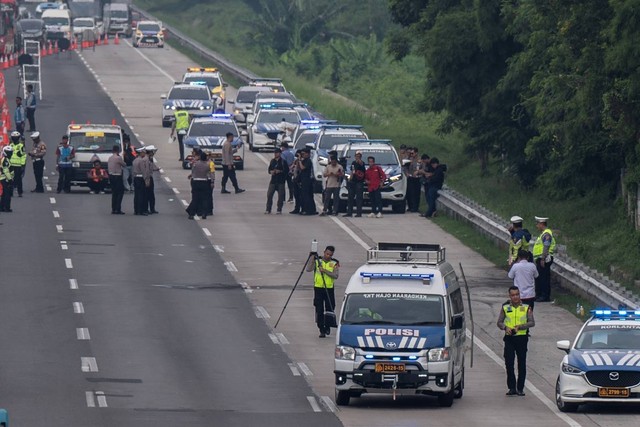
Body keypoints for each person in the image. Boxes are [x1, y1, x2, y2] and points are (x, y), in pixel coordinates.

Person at [497, 286, 535, 396]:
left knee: (521, 363)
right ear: (510, 296)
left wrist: (521, 327)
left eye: (517, 294)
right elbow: (499, 322)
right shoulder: (505, 307)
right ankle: (512, 387)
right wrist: (505, 328)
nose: (515, 297)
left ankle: (520, 388)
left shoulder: (526, 307)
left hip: (522, 338)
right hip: (509, 338)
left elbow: (532, 322)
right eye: (513, 295)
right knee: (509, 363)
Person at [306, 245, 340, 338]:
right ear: (324, 252)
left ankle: (328, 325)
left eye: (330, 254)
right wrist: (312, 257)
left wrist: (324, 270)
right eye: (327, 253)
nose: (328, 256)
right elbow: (308, 269)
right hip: (318, 288)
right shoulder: (318, 261)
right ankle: (321, 329)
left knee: (330, 307)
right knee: (319, 309)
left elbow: (335, 275)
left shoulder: (335, 263)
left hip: (329, 288)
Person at [533, 216, 556, 302]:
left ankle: (544, 296)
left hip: (544, 259)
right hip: (541, 258)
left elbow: (546, 246)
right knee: (540, 277)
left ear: (542, 224)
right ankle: (539, 295)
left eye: (537, 224)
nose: (536, 226)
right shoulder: (543, 234)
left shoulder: (546, 234)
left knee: (544, 278)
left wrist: (543, 258)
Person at [186, 151, 214, 219]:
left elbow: (192, 169)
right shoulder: (208, 165)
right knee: (204, 199)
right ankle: (204, 213)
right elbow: (210, 174)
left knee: (195, 198)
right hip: (204, 182)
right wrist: (212, 182)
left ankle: (191, 214)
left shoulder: (195, 164)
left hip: (196, 182)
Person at [265, 147, 288, 214]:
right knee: (269, 195)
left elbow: (286, 171)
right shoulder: (272, 161)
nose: (275, 154)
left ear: (280, 154)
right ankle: (268, 209)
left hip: (281, 181)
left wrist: (280, 171)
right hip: (273, 180)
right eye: (275, 153)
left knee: (280, 196)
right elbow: (269, 169)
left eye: (277, 153)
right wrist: (271, 172)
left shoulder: (283, 162)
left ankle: (279, 209)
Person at [343, 151, 366, 217]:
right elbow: (352, 171)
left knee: (359, 198)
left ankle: (359, 213)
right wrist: (350, 179)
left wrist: (359, 161)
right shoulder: (353, 163)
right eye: (356, 156)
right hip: (353, 181)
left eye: (359, 156)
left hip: (359, 182)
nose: (357, 157)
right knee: (350, 197)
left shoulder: (362, 163)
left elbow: (362, 165)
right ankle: (349, 212)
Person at [107, 144, 126, 214]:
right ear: (118, 150)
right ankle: (118, 208)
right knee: (120, 192)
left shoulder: (110, 158)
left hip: (111, 175)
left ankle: (113, 208)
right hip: (117, 176)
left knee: (114, 193)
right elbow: (124, 164)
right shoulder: (118, 158)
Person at [298, 147, 317, 215]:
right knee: (304, 195)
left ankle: (309, 210)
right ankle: (305, 209)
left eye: (304, 154)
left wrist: (300, 160)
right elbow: (299, 168)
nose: (303, 155)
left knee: (307, 196)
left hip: (308, 181)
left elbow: (303, 168)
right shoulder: (304, 160)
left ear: (308, 154)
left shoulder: (308, 161)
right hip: (303, 180)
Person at [8, 131, 26, 197]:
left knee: (18, 180)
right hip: (11, 165)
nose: (14, 139)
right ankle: (10, 192)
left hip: (18, 165)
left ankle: (20, 192)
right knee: (10, 179)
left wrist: (22, 165)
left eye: (15, 137)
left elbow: (24, 156)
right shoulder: (10, 145)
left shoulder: (21, 146)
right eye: (13, 137)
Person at [132, 147, 148, 215]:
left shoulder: (134, 160)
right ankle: (140, 210)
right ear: (140, 153)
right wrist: (146, 179)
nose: (144, 154)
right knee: (141, 195)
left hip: (135, 178)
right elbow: (143, 170)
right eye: (143, 152)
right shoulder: (141, 161)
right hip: (140, 178)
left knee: (136, 195)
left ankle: (136, 210)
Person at [144, 146, 160, 214]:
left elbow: (152, 167)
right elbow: (147, 170)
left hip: (149, 177)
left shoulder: (150, 159)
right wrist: (147, 180)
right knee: (148, 194)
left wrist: (156, 168)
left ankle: (152, 208)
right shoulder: (147, 159)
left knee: (151, 195)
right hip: (148, 177)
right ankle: (147, 209)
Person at [404, 147, 421, 213]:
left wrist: (418, 171)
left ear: (416, 153)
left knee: (417, 194)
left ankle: (416, 207)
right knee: (410, 193)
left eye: (412, 153)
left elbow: (423, 167)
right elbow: (405, 167)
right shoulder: (408, 160)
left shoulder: (419, 160)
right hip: (410, 178)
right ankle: (411, 207)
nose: (411, 154)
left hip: (417, 178)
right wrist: (407, 173)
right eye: (410, 153)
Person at [0, 146, 14, 212]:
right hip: (5, 179)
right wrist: (10, 179)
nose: (10, 154)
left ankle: (2, 207)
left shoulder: (5, 159)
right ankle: (6, 207)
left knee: (3, 194)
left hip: (3, 178)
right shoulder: (5, 160)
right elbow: (6, 171)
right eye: (9, 152)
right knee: (7, 194)